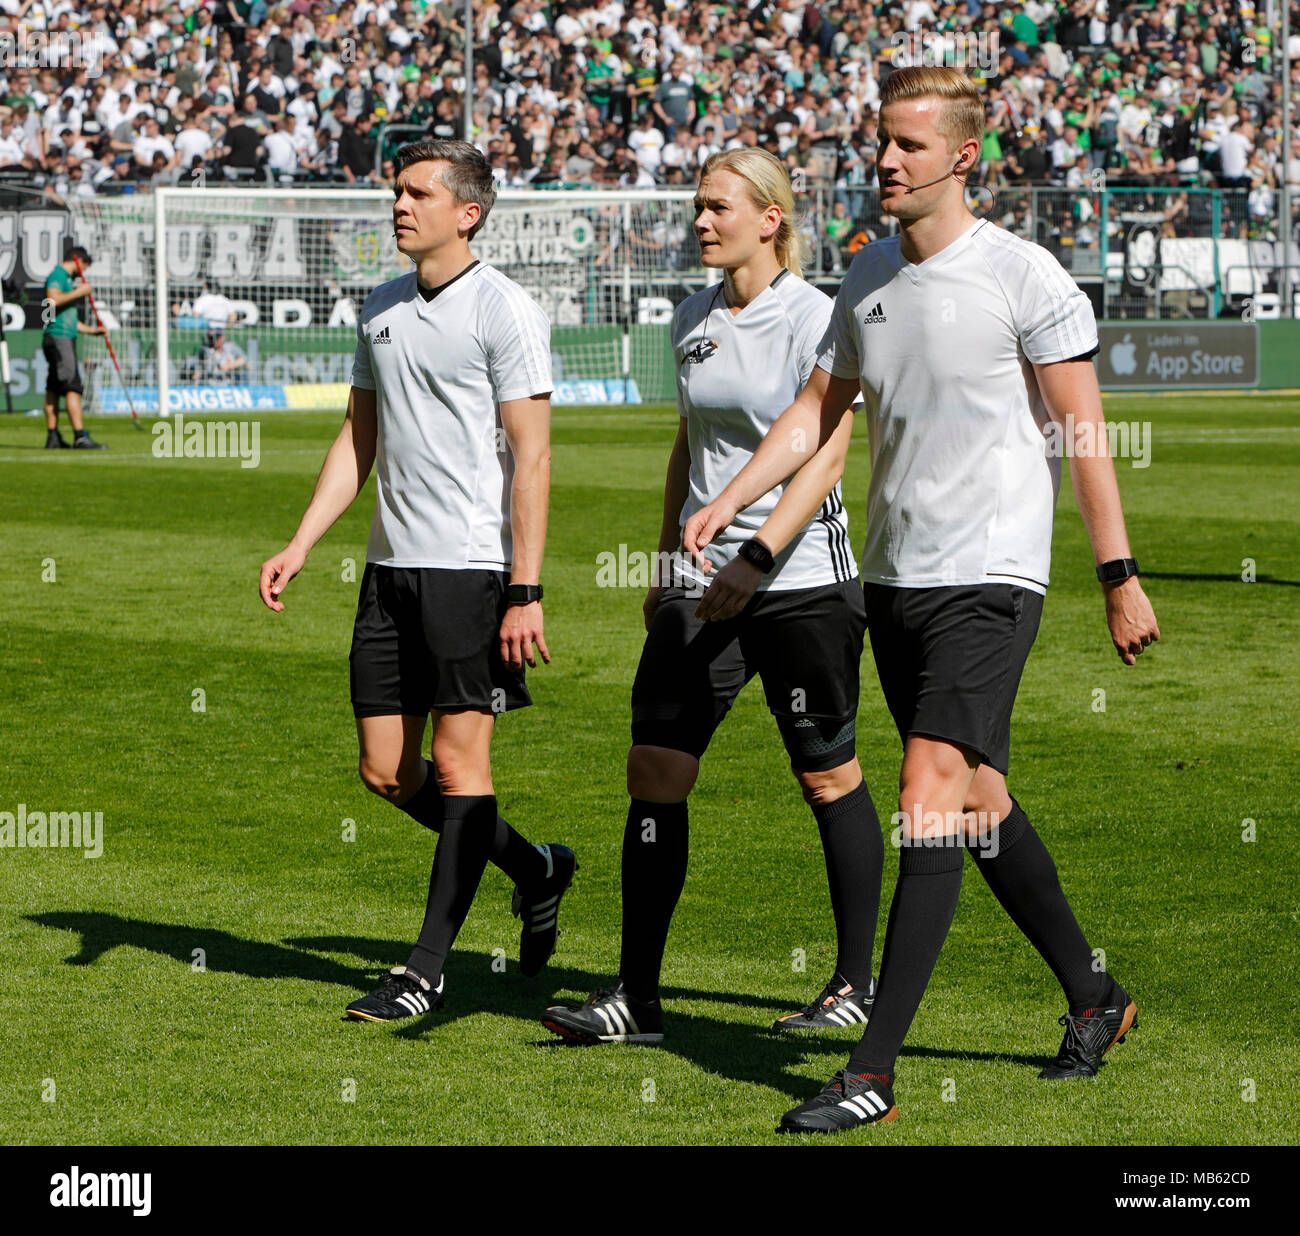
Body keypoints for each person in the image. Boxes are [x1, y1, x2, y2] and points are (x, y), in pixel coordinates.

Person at [685, 67, 1160, 1133]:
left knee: (926, 791)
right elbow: (816, 412)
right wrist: (732, 499)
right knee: (978, 803)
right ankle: (1095, 996)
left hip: (992, 576)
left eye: (906, 144)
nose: (885, 161)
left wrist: (1116, 574)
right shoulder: (864, 278)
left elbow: (1082, 434)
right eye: (879, 141)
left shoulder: (1025, 278)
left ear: (961, 157)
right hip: (894, 580)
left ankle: (873, 1067)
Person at [541, 148, 883, 1046]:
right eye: (697, 205)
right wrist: (666, 566)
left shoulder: (822, 315)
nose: (699, 220)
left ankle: (854, 983)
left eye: (717, 206)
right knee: (654, 771)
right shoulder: (689, 316)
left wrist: (758, 558)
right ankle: (636, 998)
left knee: (826, 777)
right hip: (700, 586)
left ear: (770, 218)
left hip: (803, 583)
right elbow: (688, 447)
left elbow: (830, 452)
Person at [259, 140, 575, 1022]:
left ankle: (424, 970)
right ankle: (535, 866)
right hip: (389, 571)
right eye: (395, 191)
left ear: (466, 212)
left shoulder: (504, 310)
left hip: (470, 572)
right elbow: (359, 438)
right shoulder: (382, 304)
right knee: (386, 773)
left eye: (415, 193)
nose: (398, 205)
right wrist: (302, 542)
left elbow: (533, 456)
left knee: (457, 760)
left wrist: (525, 587)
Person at [42, 244, 107, 450]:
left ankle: (52, 437)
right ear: (77, 260)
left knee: (53, 388)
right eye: (84, 267)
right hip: (60, 339)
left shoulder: (64, 279)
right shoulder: (59, 275)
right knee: (72, 387)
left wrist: (92, 330)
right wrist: (80, 292)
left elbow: (54, 314)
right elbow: (52, 300)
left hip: (56, 335)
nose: (83, 273)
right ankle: (80, 436)